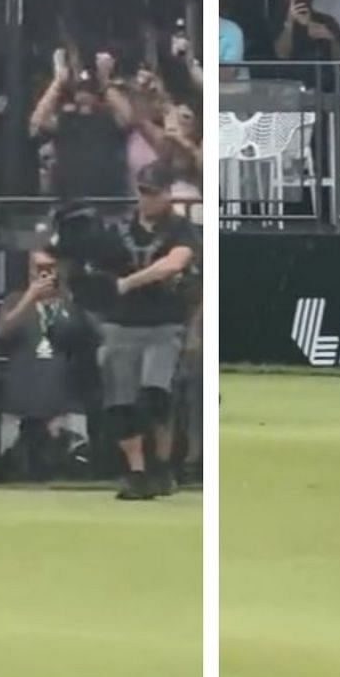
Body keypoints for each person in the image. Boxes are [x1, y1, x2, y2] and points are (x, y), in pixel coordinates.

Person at [98, 167, 199, 499]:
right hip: (122, 323)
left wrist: (129, 282)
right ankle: (136, 471)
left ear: (168, 194)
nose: (147, 199)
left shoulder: (181, 228)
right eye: (142, 191)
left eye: (153, 192)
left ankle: (162, 465)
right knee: (122, 402)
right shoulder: (120, 230)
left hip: (163, 323)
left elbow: (175, 263)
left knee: (156, 397)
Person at [0, 249, 94, 481]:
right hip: (21, 393)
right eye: (39, 268)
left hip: (64, 394)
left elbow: (87, 339)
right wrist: (30, 297)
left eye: (50, 267)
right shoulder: (15, 299)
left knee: (68, 465)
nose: (45, 273)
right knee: (16, 465)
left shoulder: (72, 303)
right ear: (30, 269)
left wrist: (64, 298)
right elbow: (2, 334)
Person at [30, 54, 130, 201]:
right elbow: (38, 120)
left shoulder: (107, 117)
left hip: (107, 201)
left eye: (89, 89)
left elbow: (128, 117)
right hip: (68, 200)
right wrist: (58, 83)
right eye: (80, 89)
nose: (84, 94)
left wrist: (105, 82)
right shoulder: (65, 118)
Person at [262, 0, 340, 83]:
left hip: (323, 87)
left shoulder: (327, 21)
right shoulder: (277, 21)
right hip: (290, 85)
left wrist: (331, 39)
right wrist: (289, 22)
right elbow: (281, 55)